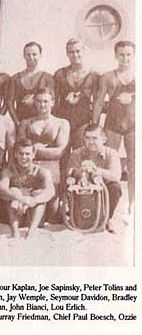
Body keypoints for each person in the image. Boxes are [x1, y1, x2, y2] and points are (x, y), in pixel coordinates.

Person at [93, 40, 135, 216]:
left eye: (128, 55)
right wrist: (95, 126)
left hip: (134, 125)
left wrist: (132, 95)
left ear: (133, 56)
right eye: (121, 54)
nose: (125, 58)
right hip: (113, 125)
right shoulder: (108, 77)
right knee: (107, 163)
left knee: (134, 166)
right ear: (115, 55)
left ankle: (132, 205)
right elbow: (98, 102)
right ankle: (104, 204)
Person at [18, 86, 70, 214]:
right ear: (34, 102)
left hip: (52, 170)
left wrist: (34, 149)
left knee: (52, 214)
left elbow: (59, 152)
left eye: (46, 101)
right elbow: (20, 150)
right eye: (39, 101)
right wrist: (43, 150)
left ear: (52, 102)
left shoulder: (62, 123)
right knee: (28, 215)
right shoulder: (25, 123)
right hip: (29, 169)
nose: (42, 105)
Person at [67, 124, 123, 232]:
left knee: (116, 187)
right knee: (70, 186)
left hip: (103, 186)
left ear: (104, 139)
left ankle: (107, 219)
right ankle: (77, 216)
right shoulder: (76, 153)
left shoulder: (112, 153)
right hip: (82, 186)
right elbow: (69, 174)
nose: (91, 142)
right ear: (83, 139)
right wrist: (81, 170)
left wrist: (96, 170)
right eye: (87, 138)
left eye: (94, 138)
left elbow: (116, 176)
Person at [0, 138, 55, 238]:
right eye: (21, 153)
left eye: (27, 154)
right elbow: (1, 189)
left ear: (33, 155)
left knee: (39, 193)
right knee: (14, 191)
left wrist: (33, 200)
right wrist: (20, 198)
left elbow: (50, 191)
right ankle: (15, 232)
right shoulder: (9, 170)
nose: (24, 157)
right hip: (15, 214)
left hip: (34, 216)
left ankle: (31, 231)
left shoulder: (42, 171)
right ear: (15, 154)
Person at [53, 38, 98, 149]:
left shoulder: (94, 75)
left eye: (78, 51)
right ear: (67, 54)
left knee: (80, 153)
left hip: (83, 120)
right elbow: (54, 100)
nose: (75, 55)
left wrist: (94, 125)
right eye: (71, 52)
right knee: (63, 155)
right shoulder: (60, 73)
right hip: (63, 120)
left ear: (83, 51)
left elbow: (97, 101)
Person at [7, 41, 54, 127]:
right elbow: (10, 103)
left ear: (40, 55)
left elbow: (52, 102)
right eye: (28, 54)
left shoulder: (47, 78)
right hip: (20, 122)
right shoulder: (15, 78)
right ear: (24, 56)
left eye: (34, 54)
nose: (31, 57)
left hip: (40, 123)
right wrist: (17, 123)